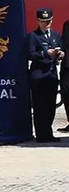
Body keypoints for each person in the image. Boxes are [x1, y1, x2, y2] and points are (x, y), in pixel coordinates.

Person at [26, 8, 62, 143]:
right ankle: (41, 134)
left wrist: (60, 54)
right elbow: (30, 54)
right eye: (43, 21)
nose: (46, 24)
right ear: (38, 21)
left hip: (51, 74)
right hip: (39, 74)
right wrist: (45, 53)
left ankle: (48, 133)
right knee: (40, 106)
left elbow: (60, 49)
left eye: (48, 21)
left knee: (51, 106)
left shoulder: (56, 35)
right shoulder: (33, 36)